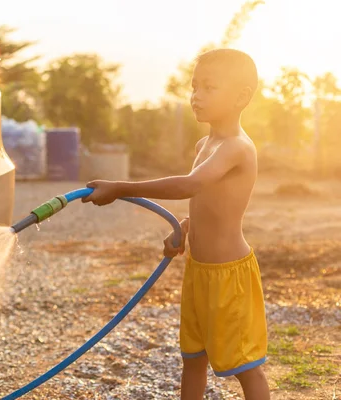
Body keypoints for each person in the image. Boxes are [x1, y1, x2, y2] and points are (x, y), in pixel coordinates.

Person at [82, 49, 269, 400]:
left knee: (246, 366)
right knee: (193, 358)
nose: (196, 95)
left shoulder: (236, 147)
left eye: (209, 87)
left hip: (231, 277)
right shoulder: (205, 143)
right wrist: (184, 227)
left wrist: (121, 187)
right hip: (199, 272)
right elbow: (206, 203)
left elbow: (189, 185)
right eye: (194, 86)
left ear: (242, 96)